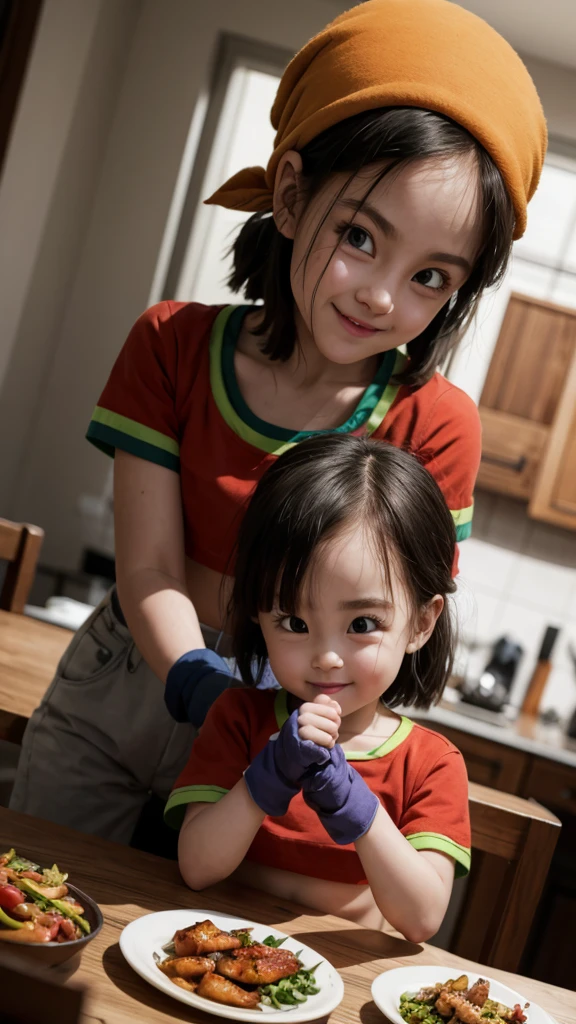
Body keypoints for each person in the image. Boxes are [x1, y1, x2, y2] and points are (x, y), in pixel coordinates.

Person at [11, 0, 546, 844]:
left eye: (432, 277)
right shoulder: (171, 345)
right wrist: (196, 677)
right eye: (362, 237)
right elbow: (151, 566)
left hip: (285, 726)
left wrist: (272, 721)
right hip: (125, 686)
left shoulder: (435, 425)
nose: (383, 296)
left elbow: (398, 628)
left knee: (204, 962)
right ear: (292, 196)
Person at [168, 434, 468, 941]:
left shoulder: (432, 765)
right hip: (216, 955)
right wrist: (267, 777)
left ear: (421, 622)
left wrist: (358, 805)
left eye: (362, 623)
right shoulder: (240, 719)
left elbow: (421, 918)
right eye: (294, 622)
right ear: (257, 615)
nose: (327, 656)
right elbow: (197, 868)